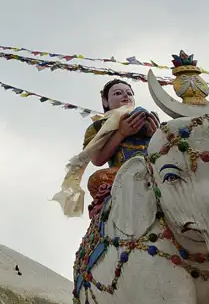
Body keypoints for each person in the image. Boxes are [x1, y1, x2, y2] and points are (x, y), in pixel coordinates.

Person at [52, 79, 160, 219]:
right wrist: (121, 133)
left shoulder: (145, 120)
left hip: (153, 169)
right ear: (105, 102)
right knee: (97, 179)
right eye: (117, 93)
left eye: (129, 93)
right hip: (122, 172)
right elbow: (98, 160)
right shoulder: (99, 127)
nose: (125, 96)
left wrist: (156, 134)